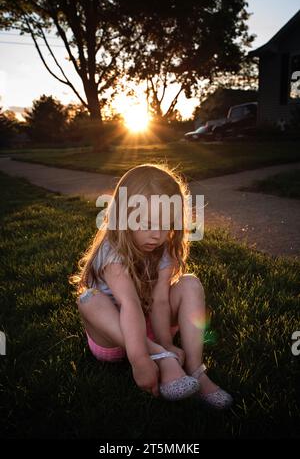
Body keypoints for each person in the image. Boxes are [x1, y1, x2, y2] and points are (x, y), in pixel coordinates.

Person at [69, 163, 232, 408]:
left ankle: (195, 370)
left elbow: (161, 300)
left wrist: (167, 342)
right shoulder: (112, 252)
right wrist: (140, 360)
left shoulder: (162, 247)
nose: (156, 235)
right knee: (89, 300)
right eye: (146, 225)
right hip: (115, 337)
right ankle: (160, 356)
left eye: (165, 225)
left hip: (150, 325)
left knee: (189, 283)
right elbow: (129, 302)